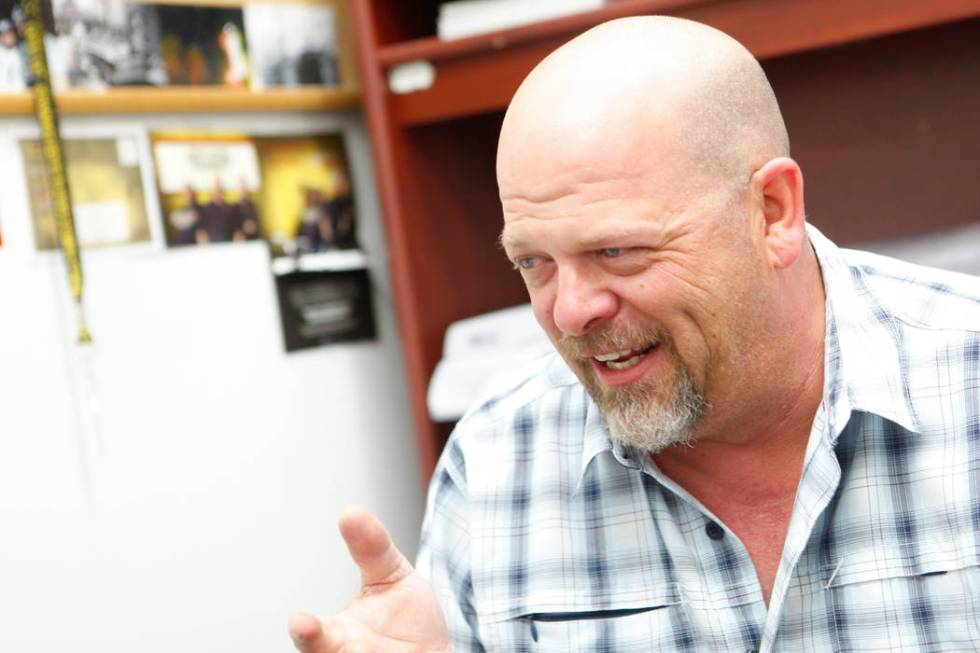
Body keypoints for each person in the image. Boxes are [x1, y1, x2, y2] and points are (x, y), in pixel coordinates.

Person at [289, 16, 980, 652]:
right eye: (534, 263)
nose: (570, 311)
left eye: (617, 250)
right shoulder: (497, 464)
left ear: (772, 213)